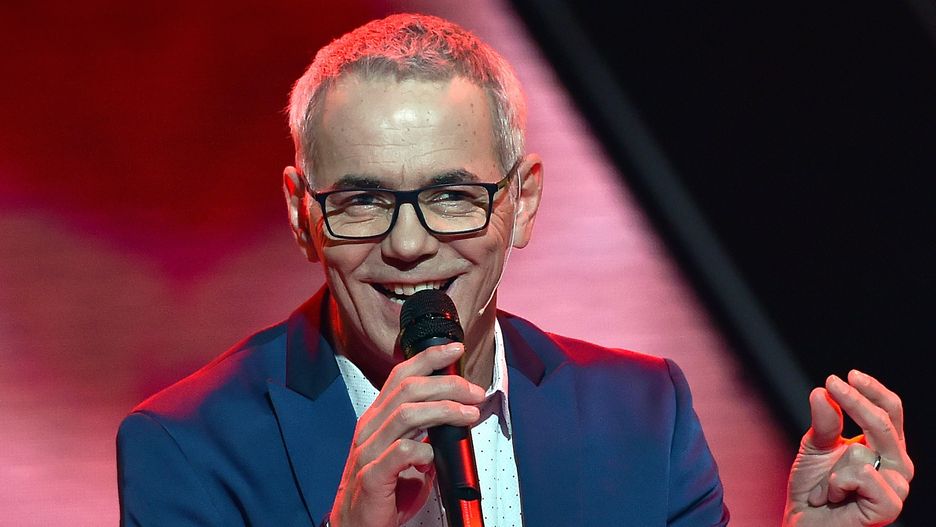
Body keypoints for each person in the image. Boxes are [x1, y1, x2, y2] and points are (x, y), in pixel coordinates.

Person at [116, 13, 913, 526]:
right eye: (363, 201)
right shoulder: (186, 448)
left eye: (452, 196)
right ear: (302, 215)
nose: (407, 244)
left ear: (522, 202)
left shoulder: (642, 413)